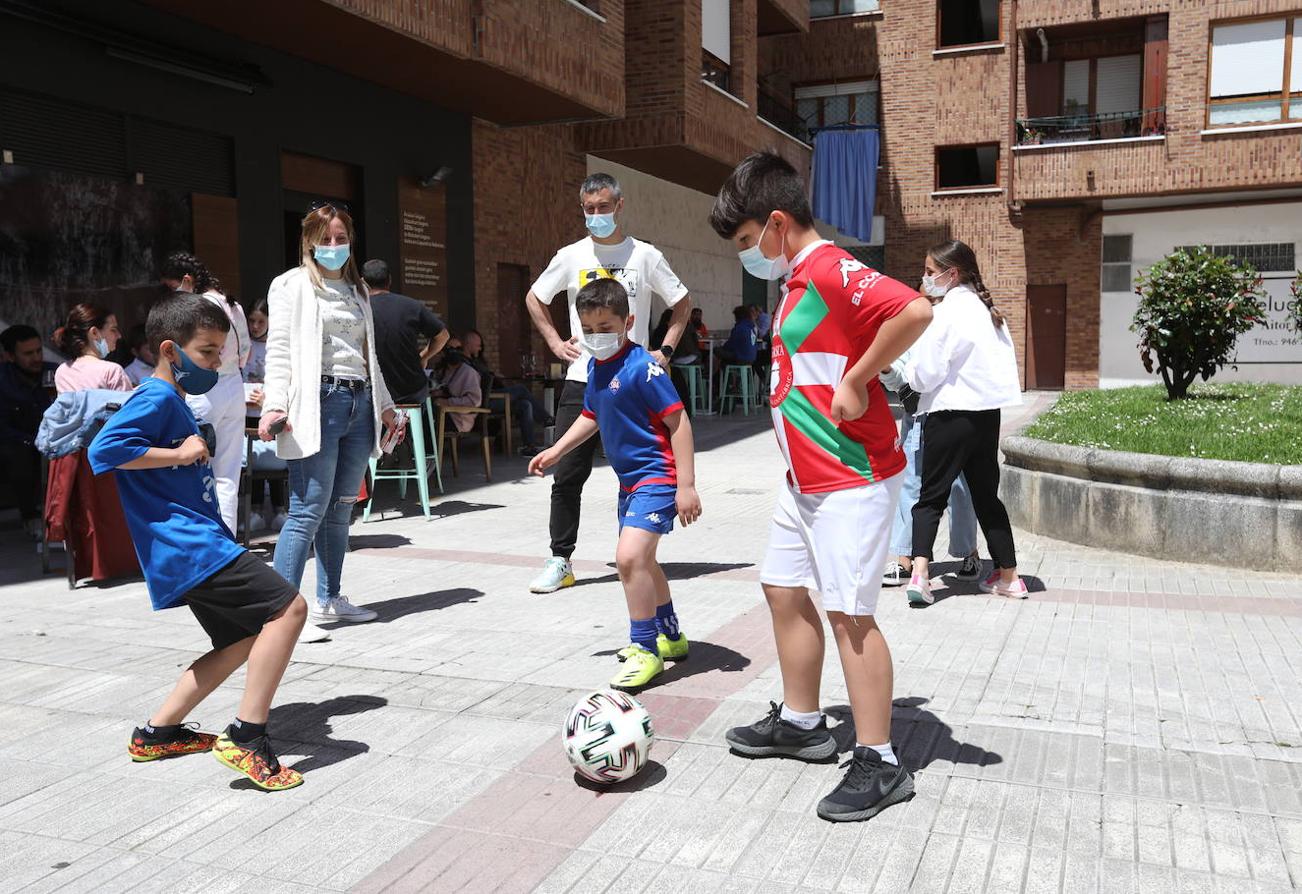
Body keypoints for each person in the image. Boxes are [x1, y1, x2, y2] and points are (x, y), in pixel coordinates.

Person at [709, 151, 933, 823]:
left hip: (849, 479)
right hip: (804, 479)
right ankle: (803, 724)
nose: (748, 256)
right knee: (781, 588)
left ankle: (879, 761)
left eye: (749, 242)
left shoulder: (832, 269)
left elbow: (915, 310)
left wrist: (861, 377)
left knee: (850, 615)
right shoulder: (799, 278)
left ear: (777, 223)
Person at [87, 292, 308, 791]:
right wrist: (180, 451)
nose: (214, 363)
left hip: (194, 544)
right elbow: (104, 449)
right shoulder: (156, 396)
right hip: (188, 546)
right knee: (289, 609)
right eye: (206, 352)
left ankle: (157, 733)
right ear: (171, 350)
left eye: (220, 354)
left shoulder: (175, 401)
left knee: (242, 638)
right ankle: (247, 737)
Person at [524, 172, 693, 594]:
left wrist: (665, 351)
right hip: (584, 378)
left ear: (619, 205)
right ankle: (560, 559)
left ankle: (636, 551)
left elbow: (682, 303)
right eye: (589, 208)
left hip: (633, 382)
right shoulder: (570, 255)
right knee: (568, 473)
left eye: (603, 207)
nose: (596, 215)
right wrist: (553, 341)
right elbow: (534, 297)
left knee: (634, 466)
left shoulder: (646, 256)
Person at [528, 278, 701, 690]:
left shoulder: (644, 367)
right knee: (644, 562)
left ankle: (645, 649)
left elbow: (679, 422)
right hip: (630, 484)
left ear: (629, 321)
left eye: (606, 327)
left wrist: (687, 485)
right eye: (589, 329)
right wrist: (557, 450)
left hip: (657, 479)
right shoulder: (594, 367)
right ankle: (671, 636)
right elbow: (590, 415)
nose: (597, 336)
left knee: (628, 559)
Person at [259, 203, 402, 633]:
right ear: (309, 242)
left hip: (359, 401)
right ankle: (279, 617)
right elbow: (279, 349)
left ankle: (328, 598)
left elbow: (366, 354)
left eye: (341, 238)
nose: (334, 246)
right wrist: (274, 404)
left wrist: (385, 404)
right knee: (308, 509)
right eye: (325, 239)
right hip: (318, 400)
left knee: (342, 508)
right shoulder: (290, 285)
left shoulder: (358, 289)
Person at [902, 240, 1027, 603]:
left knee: (931, 496)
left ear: (951, 274)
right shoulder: (992, 314)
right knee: (987, 497)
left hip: (949, 413)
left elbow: (925, 374)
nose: (925, 279)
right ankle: (1010, 576)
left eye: (929, 271)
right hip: (986, 417)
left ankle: (920, 574)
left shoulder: (944, 313)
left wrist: (909, 372)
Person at [161, 252, 251, 534]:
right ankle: (227, 539)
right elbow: (245, 352)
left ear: (187, 280)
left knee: (198, 467)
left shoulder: (199, 306)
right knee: (228, 474)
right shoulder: (230, 301)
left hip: (206, 386)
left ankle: (204, 538)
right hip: (235, 386)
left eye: (172, 287)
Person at [879, 353, 982, 590]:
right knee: (910, 484)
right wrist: (886, 369)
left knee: (959, 486)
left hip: (954, 413)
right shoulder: (910, 323)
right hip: (917, 416)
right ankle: (905, 558)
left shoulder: (957, 320)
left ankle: (969, 551)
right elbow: (899, 377)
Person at [361, 258, 448, 405]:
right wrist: (424, 357)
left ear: (363, 282)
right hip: (411, 390)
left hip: (373, 392)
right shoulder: (412, 306)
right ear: (389, 280)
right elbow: (443, 336)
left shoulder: (359, 309)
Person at [1, 324, 56, 539]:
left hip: (54, 440)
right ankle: (30, 516)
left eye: (38, 351)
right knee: (16, 454)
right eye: (28, 353)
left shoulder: (53, 372)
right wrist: (31, 441)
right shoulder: (3, 382)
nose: (36, 358)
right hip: (20, 443)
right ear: (9, 356)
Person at [462, 328, 549, 455]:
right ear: (468, 344)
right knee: (520, 389)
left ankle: (529, 446)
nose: (480, 349)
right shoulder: (465, 364)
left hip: (493, 396)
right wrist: (491, 376)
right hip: (483, 401)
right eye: (478, 345)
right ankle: (545, 419)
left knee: (525, 404)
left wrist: (494, 376)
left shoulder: (477, 361)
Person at [53, 303, 132, 393]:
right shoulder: (112, 372)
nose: (119, 336)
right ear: (94, 333)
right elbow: (130, 406)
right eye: (113, 329)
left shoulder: (62, 372)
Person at [431, 347, 482, 431]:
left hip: (458, 419)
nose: (454, 352)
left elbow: (473, 402)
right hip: (442, 413)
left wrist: (447, 402)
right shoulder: (443, 372)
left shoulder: (469, 372)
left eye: (458, 348)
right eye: (451, 348)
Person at [244, 299, 270, 384]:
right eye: (252, 321)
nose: (255, 326)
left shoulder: (274, 347)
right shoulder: (242, 344)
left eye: (261, 322)